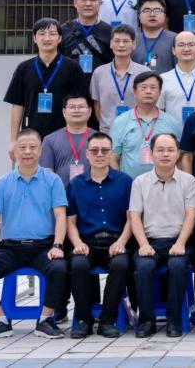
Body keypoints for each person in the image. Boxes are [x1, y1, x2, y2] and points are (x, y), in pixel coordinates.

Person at [0, 129, 69, 341]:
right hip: (11, 248)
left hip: (43, 247)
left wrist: (57, 245)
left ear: (40, 150)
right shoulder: (3, 182)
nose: (27, 152)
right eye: (22, 147)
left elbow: (61, 216)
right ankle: (0, 321)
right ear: (14, 151)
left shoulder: (53, 180)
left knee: (60, 268)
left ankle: (45, 320)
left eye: (32, 147)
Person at [128, 133, 195, 338]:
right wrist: (143, 244)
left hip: (179, 241)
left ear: (177, 154)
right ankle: (146, 321)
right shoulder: (139, 182)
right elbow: (134, 217)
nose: (165, 154)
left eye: (170, 150)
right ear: (151, 154)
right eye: (160, 150)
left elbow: (191, 216)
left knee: (177, 266)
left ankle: (174, 320)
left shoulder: (189, 181)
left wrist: (181, 243)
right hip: (149, 241)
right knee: (143, 267)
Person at [66, 131, 133, 339]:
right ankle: (84, 320)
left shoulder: (125, 182)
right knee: (78, 265)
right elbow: (70, 221)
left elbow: (132, 219)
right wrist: (77, 243)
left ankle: (107, 320)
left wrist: (121, 242)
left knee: (121, 264)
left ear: (111, 153)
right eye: (95, 150)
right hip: (86, 242)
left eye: (104, 150)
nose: (100, 154)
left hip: (115, 241)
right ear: (87, 154)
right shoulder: (76, 184)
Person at [4, 18, 86, 154]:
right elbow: (17, 105)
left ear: (60, 38)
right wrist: (13, 140)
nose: (47, 38)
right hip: (31, 138)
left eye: (52, 34)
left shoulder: (72, 68)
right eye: (42, 34)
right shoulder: (24, 68)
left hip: (65, 137)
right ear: (34, 38)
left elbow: (81, 104)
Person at [110, 71, 183, 177]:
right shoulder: (120, 122)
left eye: (153, 88)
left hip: (164, 183)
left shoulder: (171, 122)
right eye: (143, 88)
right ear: (135, 92)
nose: (148, 91)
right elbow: (113, 158)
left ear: (160, 92)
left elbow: (179, 158)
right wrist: (120, 182)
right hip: (130, 184)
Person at [90, 25, 149, 132]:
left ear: (133, 45)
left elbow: (149, 103)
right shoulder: (99, 72)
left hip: (137, 132)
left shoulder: (144, 72)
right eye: (117, 41)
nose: (121, 45)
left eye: (126, 41)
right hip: (108, 133)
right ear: (111, 44)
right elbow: (97, 106)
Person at [39, 94, 94, 187]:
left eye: (81, 107)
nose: (77, 110)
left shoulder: (100, 139)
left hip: (92, 193)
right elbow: (46, 175)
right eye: (72, 107)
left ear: (89, 111)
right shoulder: (50, 140)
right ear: (64, 112)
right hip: (61, 194)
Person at [60, 0, 114, 75]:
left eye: (92, 0)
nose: (88, 4)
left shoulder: (110, 32)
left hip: (100, 81)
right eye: (83, 0)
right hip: (70, 81)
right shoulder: (63, 30)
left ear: (100, 3)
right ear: (75, 3)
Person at [157, 32, 195, 125]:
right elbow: (159, 111)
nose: (186, 49)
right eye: (181, 45)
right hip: (172, 133)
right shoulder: (163, 79)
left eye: (191, 44)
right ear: (173, 50)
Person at [132, 0, 177, 75]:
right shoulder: (131, 40)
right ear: (139, 16)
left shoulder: (176, 40)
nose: (152, 14)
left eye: (157, 10)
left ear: (164, 15)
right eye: (147, 11)